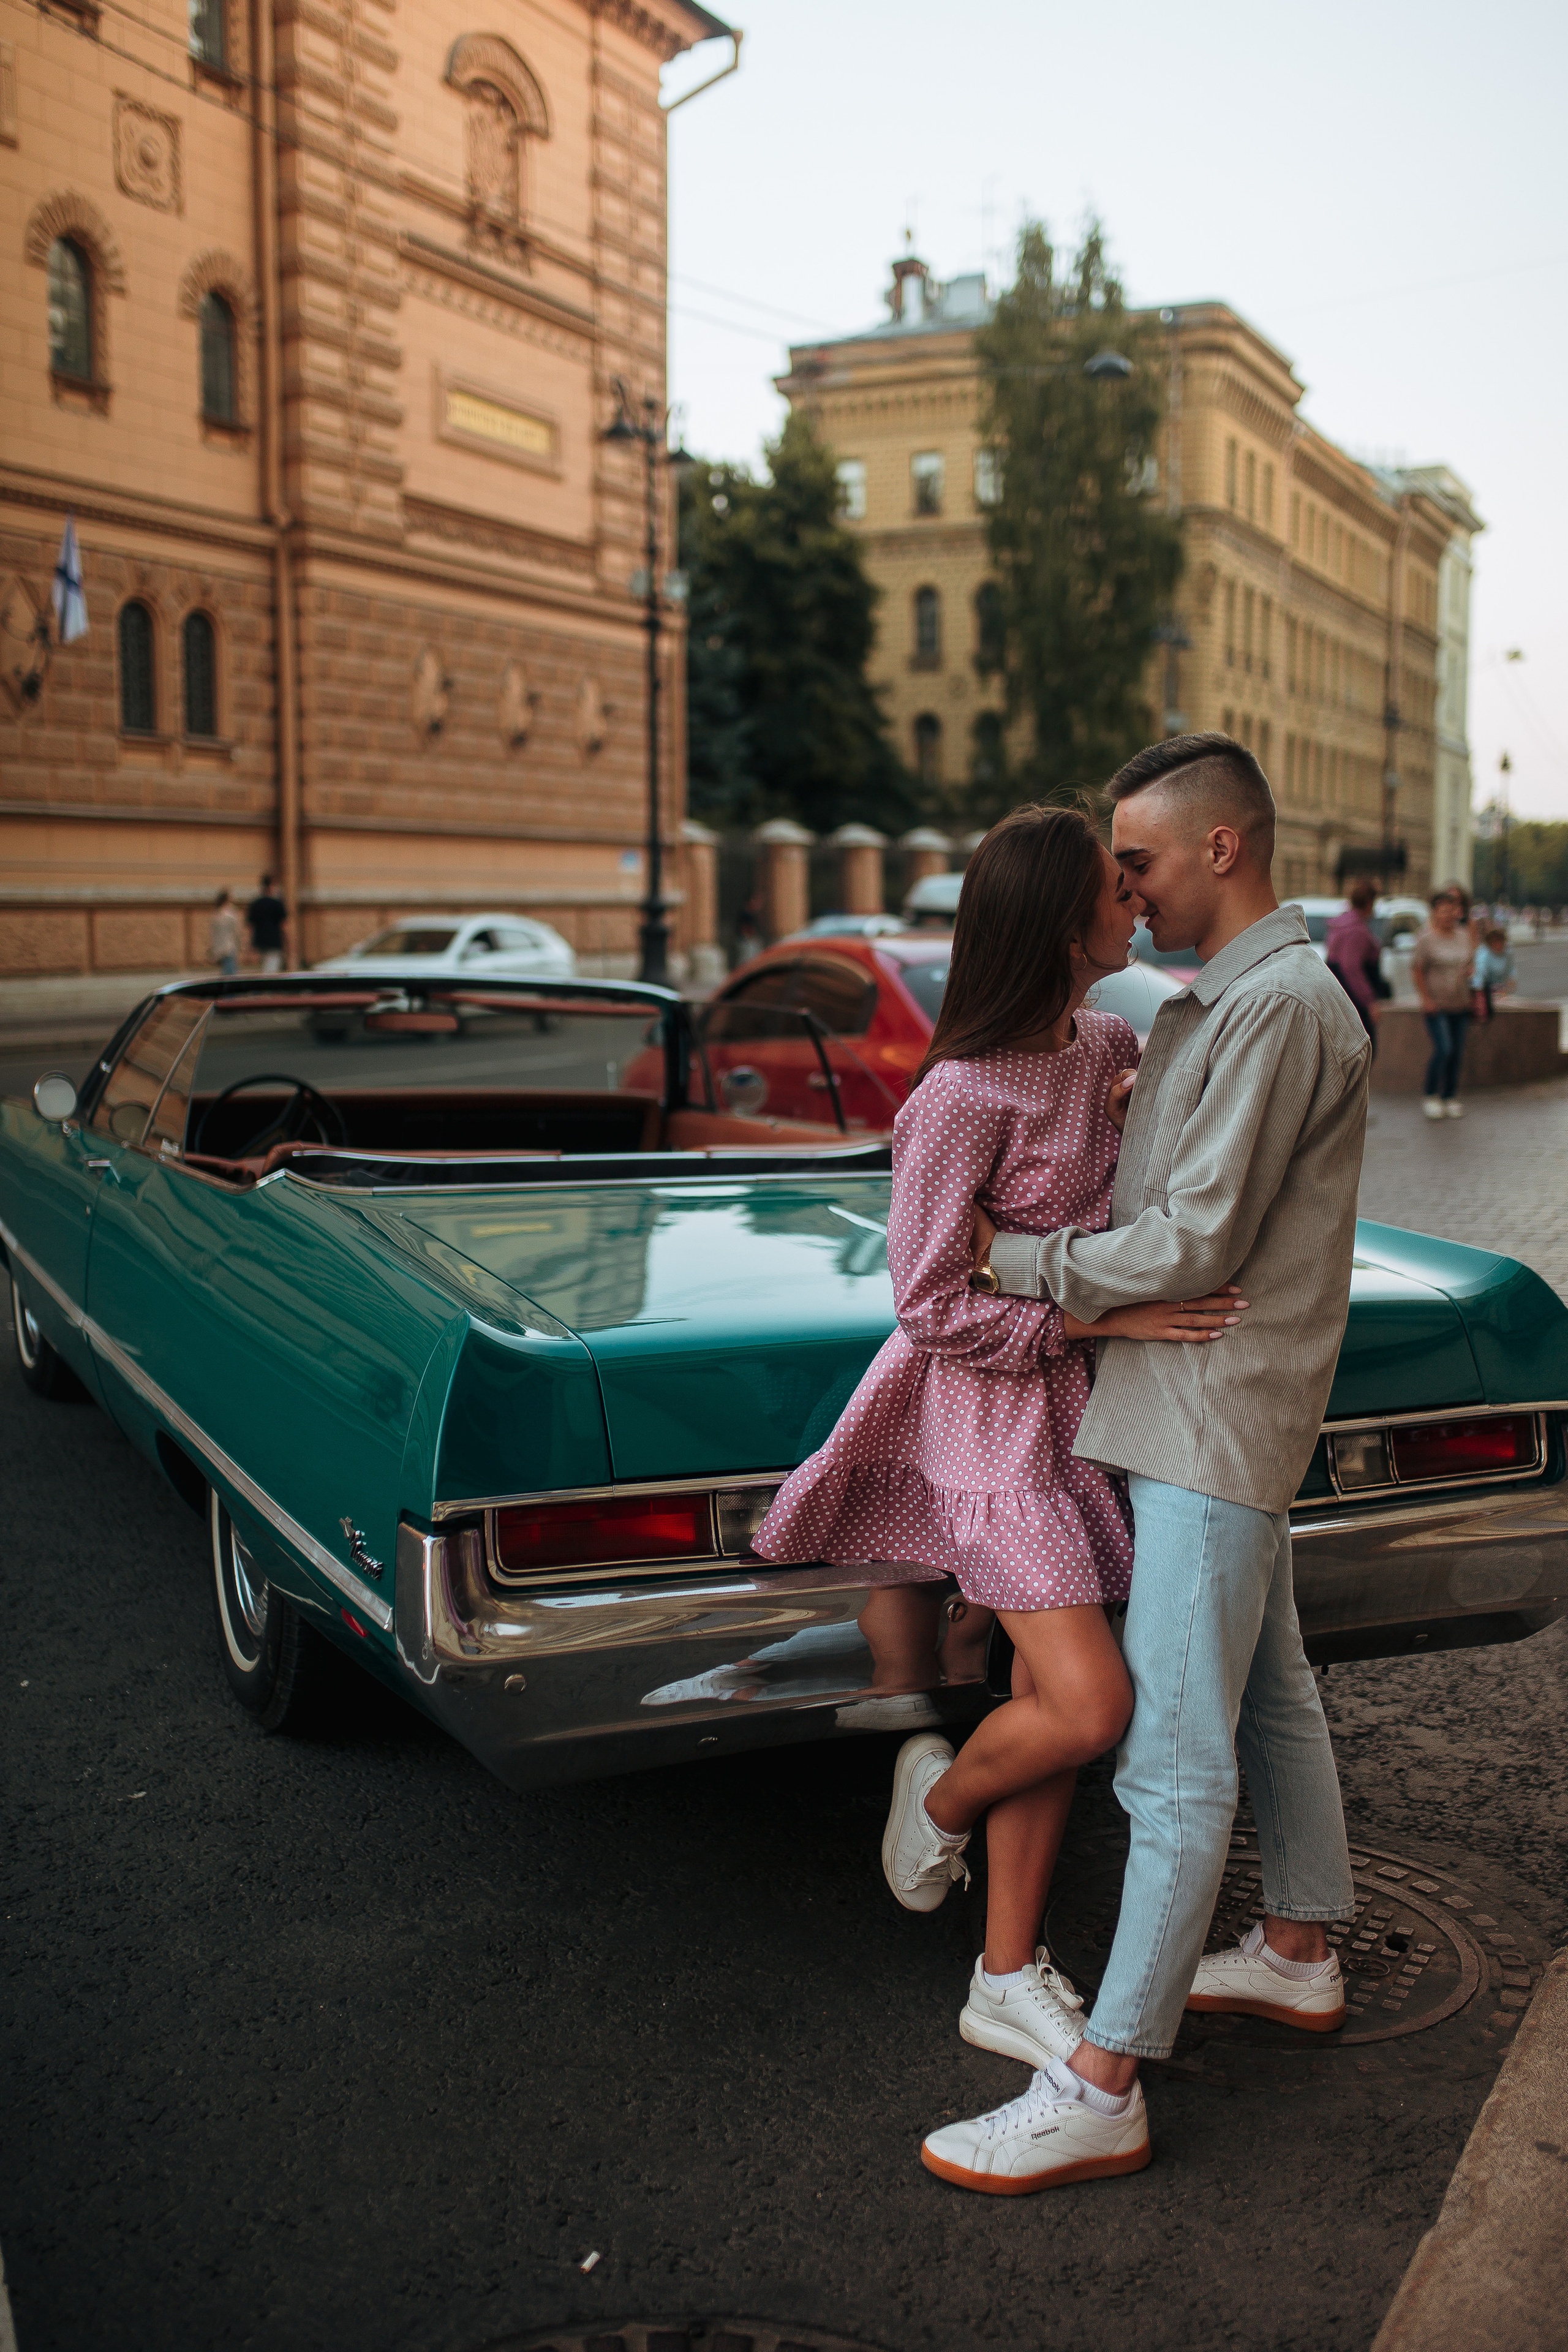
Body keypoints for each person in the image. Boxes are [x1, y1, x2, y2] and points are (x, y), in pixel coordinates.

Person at [752, 804, 1247, 2147]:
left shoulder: (1102, 1044)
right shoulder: (954, 1099)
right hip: (990, 1421)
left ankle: (999, 1974)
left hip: (1082, 1419)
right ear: (1051, 921)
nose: (1131, 906)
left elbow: (1144, 1138)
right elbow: (926, 1305)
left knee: (1040, 1690)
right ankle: (938, 1797)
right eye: (1108, 890)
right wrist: (1097, 1316)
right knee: (1089, 1706)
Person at [925, 731, 1370, 2197]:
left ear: (1218, 850)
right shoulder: (1227, 1002)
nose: (1126, 890)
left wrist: (1017, 1253)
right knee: (1264, 1689)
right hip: (1199, 1403)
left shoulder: (1272, 1005)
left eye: (1139, 862)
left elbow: (1188, 1242)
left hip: (1203, 1406)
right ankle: (1296, 1948)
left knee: (1171, 1771)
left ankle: (1100, 2076)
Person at [1411, 886, 1475, 1118]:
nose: (1448, 915)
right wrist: (1425, 998)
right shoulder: (1426, 939)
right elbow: (1418, 970)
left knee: (1457, 1052)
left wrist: (1470, 971)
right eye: (1443, 910)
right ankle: (1431, 1094)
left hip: (1461, 1002)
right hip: (1436, 1005)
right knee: (1444, 1048)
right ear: (1435, 913)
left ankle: (1450, 1096)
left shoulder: (1464, 936)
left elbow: (1469, 962)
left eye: (1452, 910)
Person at [1325, 879, 1387, 1055]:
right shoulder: (1356, 930)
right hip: (1353, 999)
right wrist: (1369, 1002)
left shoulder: (1343, 925)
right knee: (1365, 1048)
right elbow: (1351, 968)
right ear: (1369, 903)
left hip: (1341, 994)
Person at [1471, 924, 1516, 1020]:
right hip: (1487, 987)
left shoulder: (1508, 952)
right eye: (1496, 942)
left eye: (1502, 941)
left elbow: (1511, 969)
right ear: (1490, 943)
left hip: (1502, 987)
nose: (1499, 945)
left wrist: (1511, 982)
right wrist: (1480, 991)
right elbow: (1480, 973)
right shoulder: (1483, 954)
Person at [247, 875, 288, 973]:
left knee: (263, 968)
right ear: (272, 886)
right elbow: (284, 925)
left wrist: (250, 945)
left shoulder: (256, 904)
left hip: (260, 941)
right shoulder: (277, 904)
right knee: (271, 969)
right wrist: (288, 942)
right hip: (274, 941)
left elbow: (250, 926)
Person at [209, 889, 241, 977]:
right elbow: (236, 931)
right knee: (231, 975)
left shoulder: (216, 914)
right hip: (229, 947)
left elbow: (213, 934)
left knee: (225, 972)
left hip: (220, 948)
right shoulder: (230, 914)